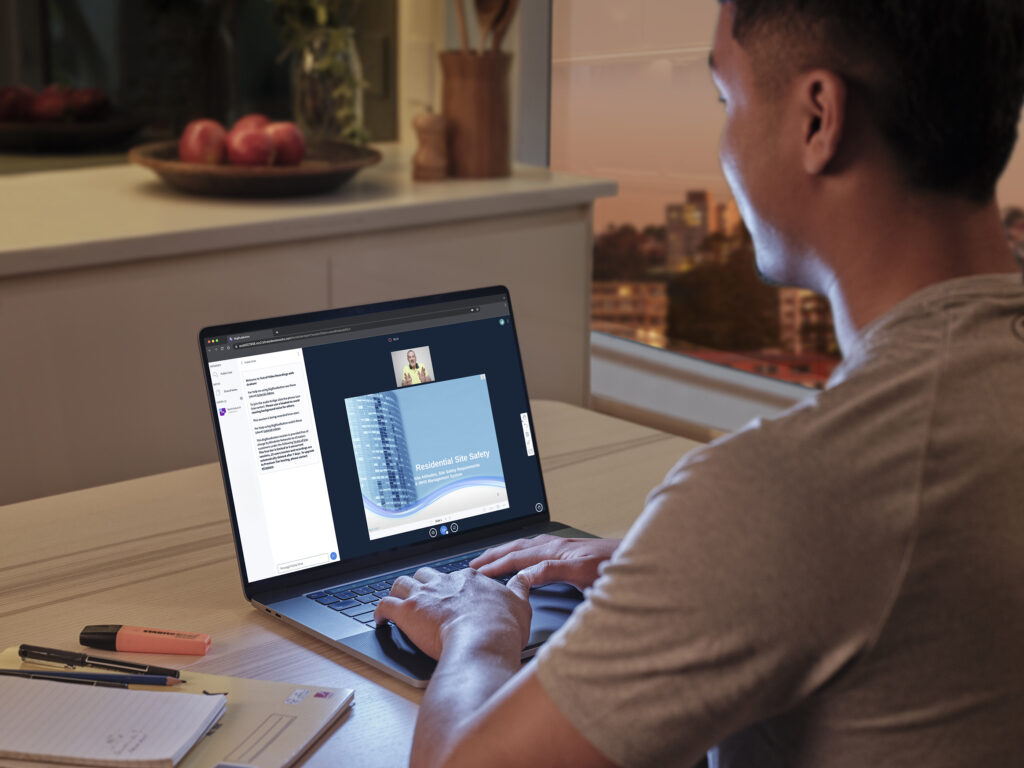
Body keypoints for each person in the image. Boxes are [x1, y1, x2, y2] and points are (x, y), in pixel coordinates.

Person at [374, 1, 1024, 765]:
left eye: (728, 101)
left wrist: (477, 631)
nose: (722, 141)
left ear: (819, 118)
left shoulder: (793, 490)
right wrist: (689, 571)